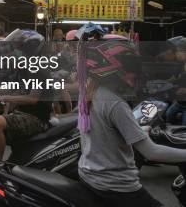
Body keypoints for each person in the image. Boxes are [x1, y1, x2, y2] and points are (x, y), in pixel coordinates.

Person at [77, 39, 186, 207]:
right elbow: (152, 153)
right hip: (116, 185)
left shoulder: (89, 92)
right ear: (114, 71)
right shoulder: (115, 103)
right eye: (130, 70)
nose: (134, 76)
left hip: (90, 175)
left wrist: (139, 129)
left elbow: (106, 130)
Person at [0, 30, 52, 162]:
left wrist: (3, 98)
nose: (16, 51)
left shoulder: (37, 69)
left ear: (29, 49)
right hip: (22, 114)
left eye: (19, 48)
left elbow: (33, 99)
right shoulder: (23, 68)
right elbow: (12, 90)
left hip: (37, 119)